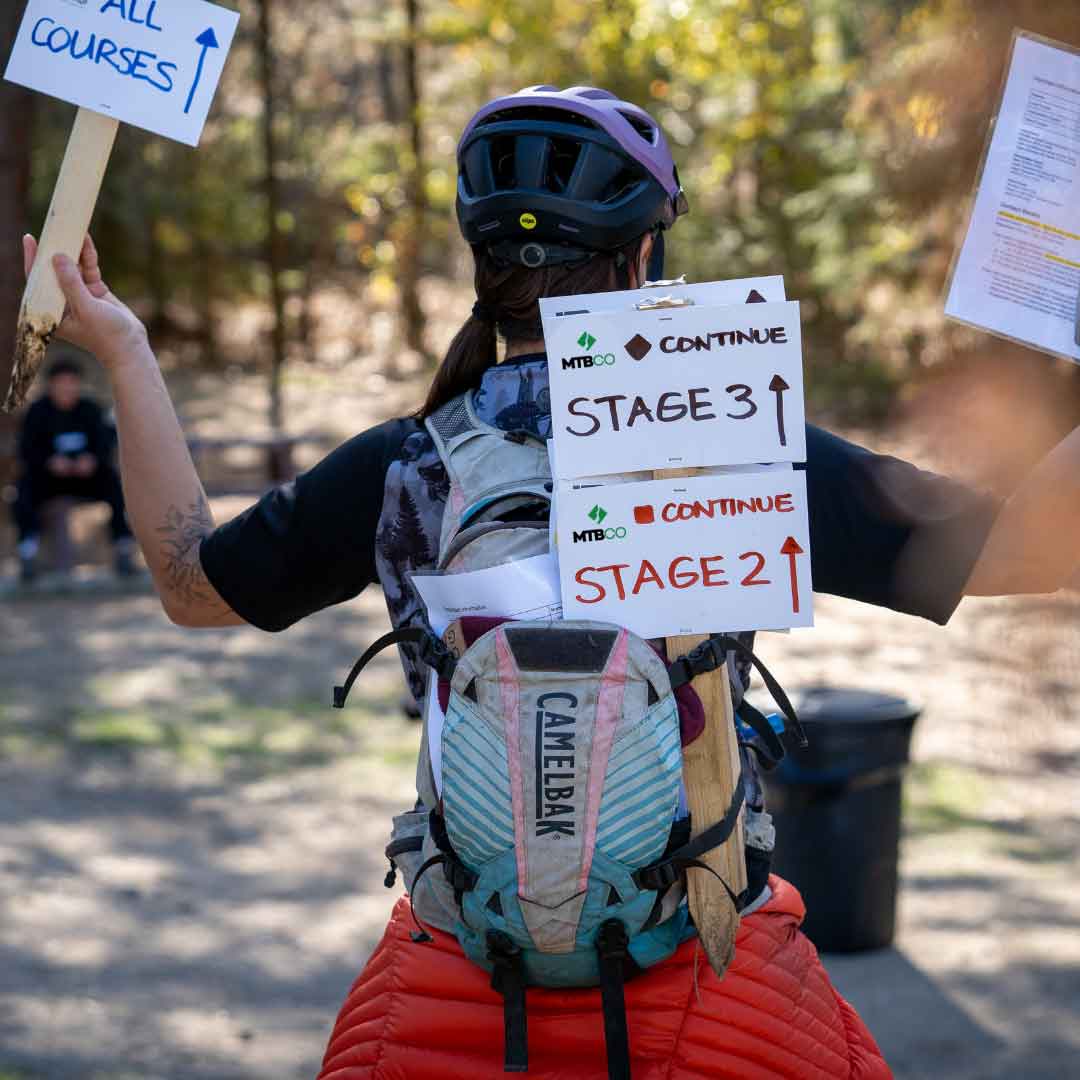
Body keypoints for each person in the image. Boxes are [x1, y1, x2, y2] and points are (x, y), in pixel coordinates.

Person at [20, 84, 1080, 1078]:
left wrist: (124, 350)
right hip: (714, 984)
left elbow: (189, 582)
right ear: (647, 250)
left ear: (480, 258)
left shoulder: (410, 465)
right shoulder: (729, 437)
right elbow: (1032, 548)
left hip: (454, 984)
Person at [12, 354, 134, 582]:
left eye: (72, 382)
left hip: (86, 478)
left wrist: (92, 459)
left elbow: (106, 440)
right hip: (49, 480)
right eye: (62, 383)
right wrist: (49, 462)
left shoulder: (90, 409)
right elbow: (27, 449)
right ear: (51, 385)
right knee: (23, 491)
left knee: (114, 484)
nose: (67, 388)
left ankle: (123, 548)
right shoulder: (37, 412)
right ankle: (27, 553)